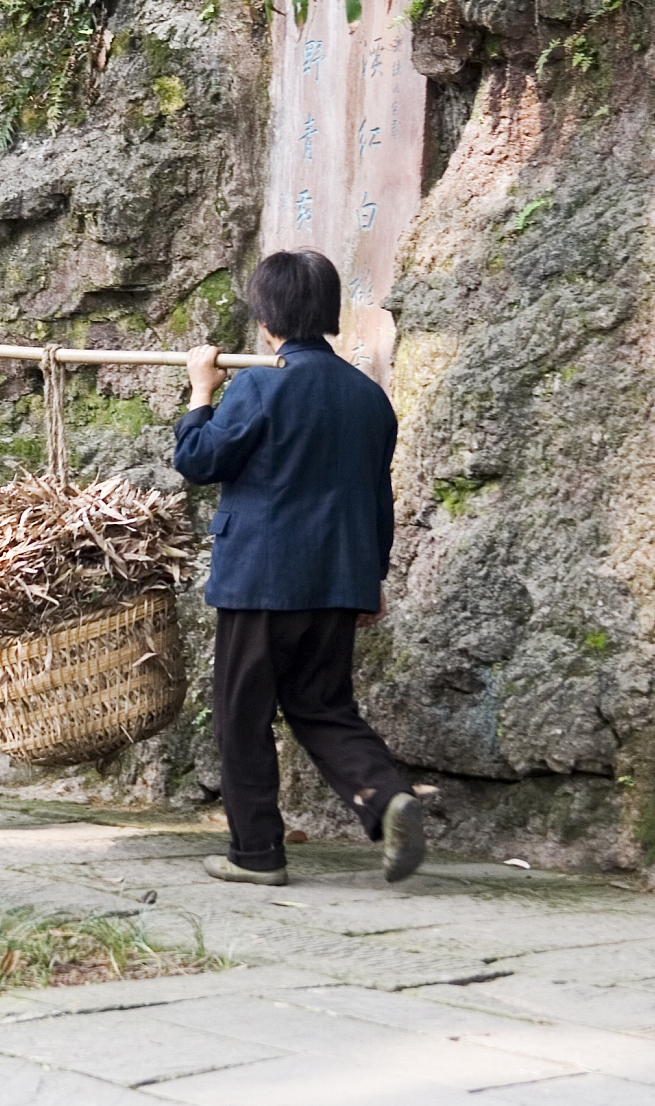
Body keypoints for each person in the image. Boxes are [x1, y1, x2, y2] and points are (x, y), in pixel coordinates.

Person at [173, 249, 423, 886]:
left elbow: (201, 460)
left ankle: (256, 854)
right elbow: (377, 495)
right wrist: (372, 578)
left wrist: (201, 394)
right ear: (328, 314)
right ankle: (384, 793)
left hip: (262, 578)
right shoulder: (369, 398)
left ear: (265, 319)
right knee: (322, 705)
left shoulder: (259, 383)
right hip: (338, 579)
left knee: (242, 714)